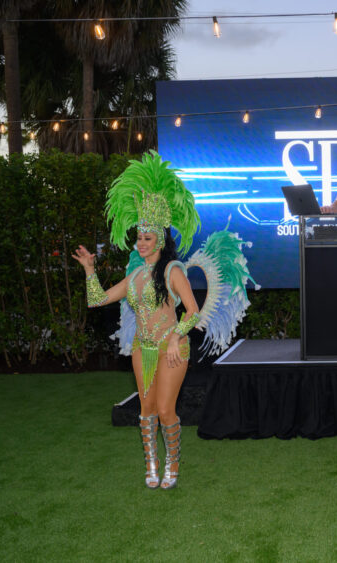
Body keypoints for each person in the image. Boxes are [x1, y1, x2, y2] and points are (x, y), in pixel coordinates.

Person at [72, 151, 256, 490]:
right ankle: (151, 465)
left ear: (160, 240)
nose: (140, 243)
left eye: (147, 238)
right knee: (146, 411)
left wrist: (175, 338)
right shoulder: (134, 276)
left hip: (173, 349)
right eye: (138, 238)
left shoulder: (173, 270)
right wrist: (89, 270)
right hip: (142, 349)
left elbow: (192, 311)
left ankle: (173, 463)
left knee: (166, 409)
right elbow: (97, 299)